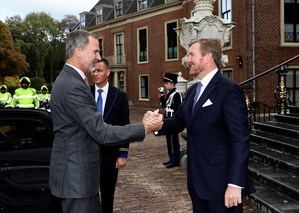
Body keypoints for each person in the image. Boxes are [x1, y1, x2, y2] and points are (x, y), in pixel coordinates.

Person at [49, 29, 163, 213]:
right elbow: (101, 132)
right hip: (77, 182)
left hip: (80, 180)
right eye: (95, 51)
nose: (98, 56)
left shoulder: (70, 80)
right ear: (78, 51)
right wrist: (144, 127)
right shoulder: (73, 86)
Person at [147, 38, 254, 212]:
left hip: (222, 185)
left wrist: (235, 183)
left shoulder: (229, 90)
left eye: (191, 54)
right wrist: (156, 125)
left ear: (208, 57)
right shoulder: (192, 91)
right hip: (197, 183)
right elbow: (178, 122)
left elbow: (240, 140)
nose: (188, 59)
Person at [90, 58, 130, 213]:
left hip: (110, 154)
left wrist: (123, 154)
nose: (95, 74)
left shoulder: (119, 96)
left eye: (99, 70)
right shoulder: (85, 93)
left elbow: (124, 126)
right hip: (88, 153)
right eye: (93, 70)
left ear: (108, 72)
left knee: (108, 194)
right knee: (89, 194)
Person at [158, 73, 182, 168]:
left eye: (167, 83)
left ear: (172, 84)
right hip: (167, 120)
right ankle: (171, 158)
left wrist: (175, 121)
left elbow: (178, 109)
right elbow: (163, 105)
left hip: (173, 121)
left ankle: (175, 159)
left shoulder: (176, 94)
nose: (165, 85)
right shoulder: (169, 94)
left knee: (173, 141)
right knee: (169, 140)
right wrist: (161, 96)